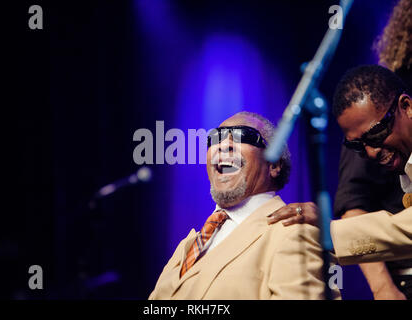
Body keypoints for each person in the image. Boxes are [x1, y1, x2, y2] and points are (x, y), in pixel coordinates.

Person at [269, 0, 412, 299]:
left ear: (406, 107)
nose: (371, 153)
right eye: (358, 145)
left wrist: (330, 231)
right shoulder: (376, 102)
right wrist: (383, 286)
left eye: (376, 135)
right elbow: (354, 199)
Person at [148, 111, 341, 300]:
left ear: (274, 165)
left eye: (243, 135)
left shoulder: (297, 233)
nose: (224, 145)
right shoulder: (188, 245)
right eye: (216, 138)